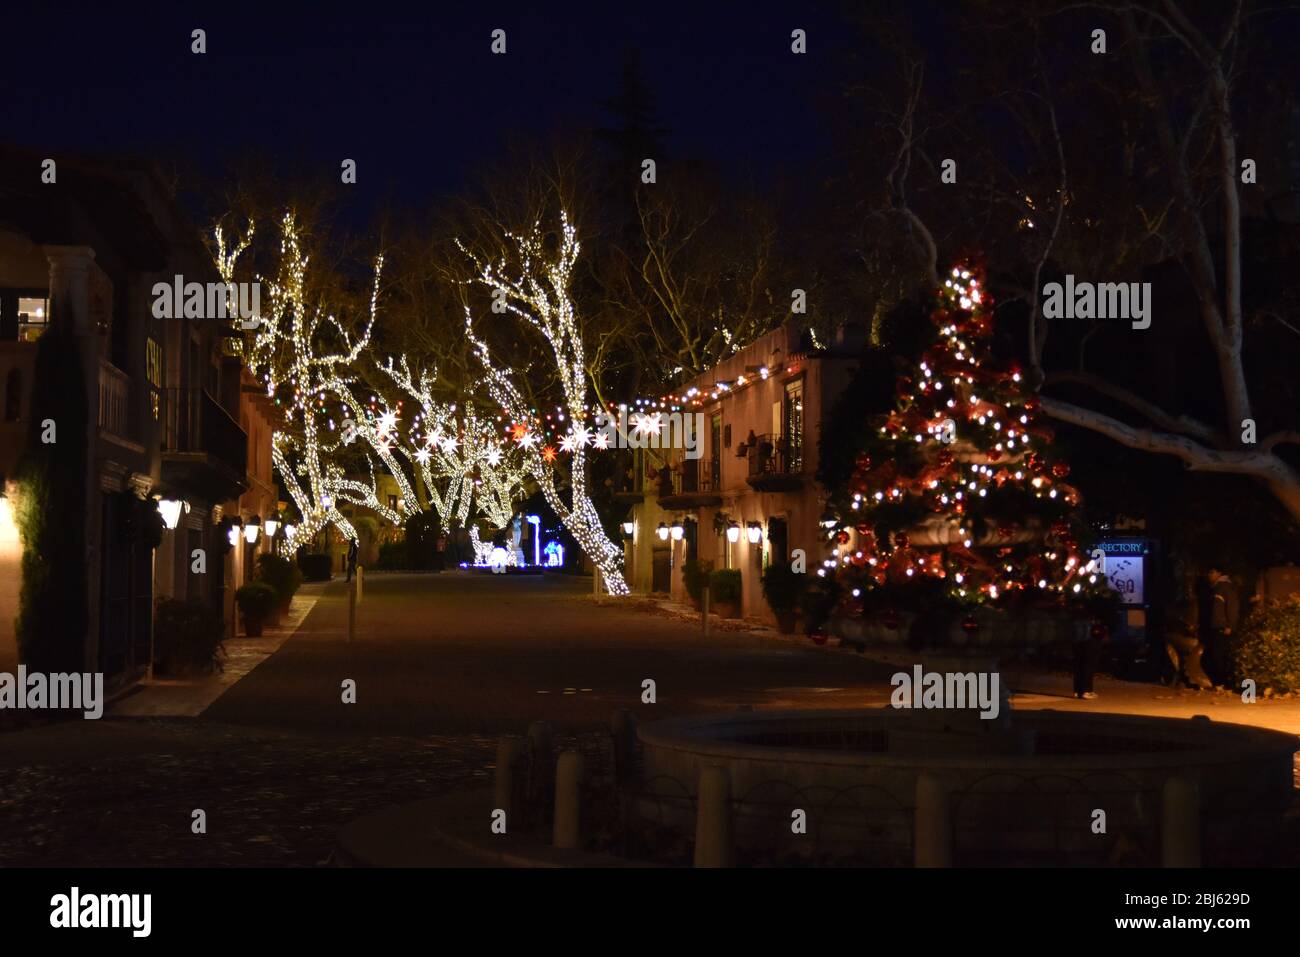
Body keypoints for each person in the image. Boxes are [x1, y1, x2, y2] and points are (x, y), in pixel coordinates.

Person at [1204, 567, 1240, 687]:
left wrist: (1229, 625)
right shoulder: (1215, 588)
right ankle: (1220, 682)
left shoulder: (1224, 587)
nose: (1209, 575)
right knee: (1216, 655)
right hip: (1216, 626)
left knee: (1221, 655)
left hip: (1222, 627)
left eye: (1211, 572)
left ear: (1219, 573)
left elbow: (1232, 607)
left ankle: (1224, 683)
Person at [1072, 621, 1103, 699]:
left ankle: (1079, 691)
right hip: (1089, 644)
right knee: (1088, 668)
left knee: (1080, 668)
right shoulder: (1090, 624)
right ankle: (1086, 691)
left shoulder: (1077, 622)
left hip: (1079, 644)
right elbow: (1097, 633)